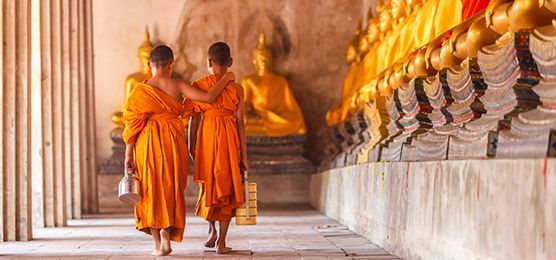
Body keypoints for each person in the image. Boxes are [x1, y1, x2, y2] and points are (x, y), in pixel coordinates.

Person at [122, 45, 235, 256]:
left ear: (149, 65)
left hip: (146, 144)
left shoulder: (139, 91)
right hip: (173, 143)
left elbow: (131, 126)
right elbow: (209, 97)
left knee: (149, 189)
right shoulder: (179, 85)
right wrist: (226, 78)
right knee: (171, 187)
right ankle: (167, 229)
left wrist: (128, 154)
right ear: (171, 65)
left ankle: (159, 243)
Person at [187, 42, 248, 254]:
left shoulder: (198, 85)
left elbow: (193, 120)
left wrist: (190, 146)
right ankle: (221, 242)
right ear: (231, 62)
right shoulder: (237, 88)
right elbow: (241, 123)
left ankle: (211, 229)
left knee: (209, 185)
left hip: (206, 138)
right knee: (226, 187)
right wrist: (245, 156)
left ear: (209, 61)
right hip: (229, 140)